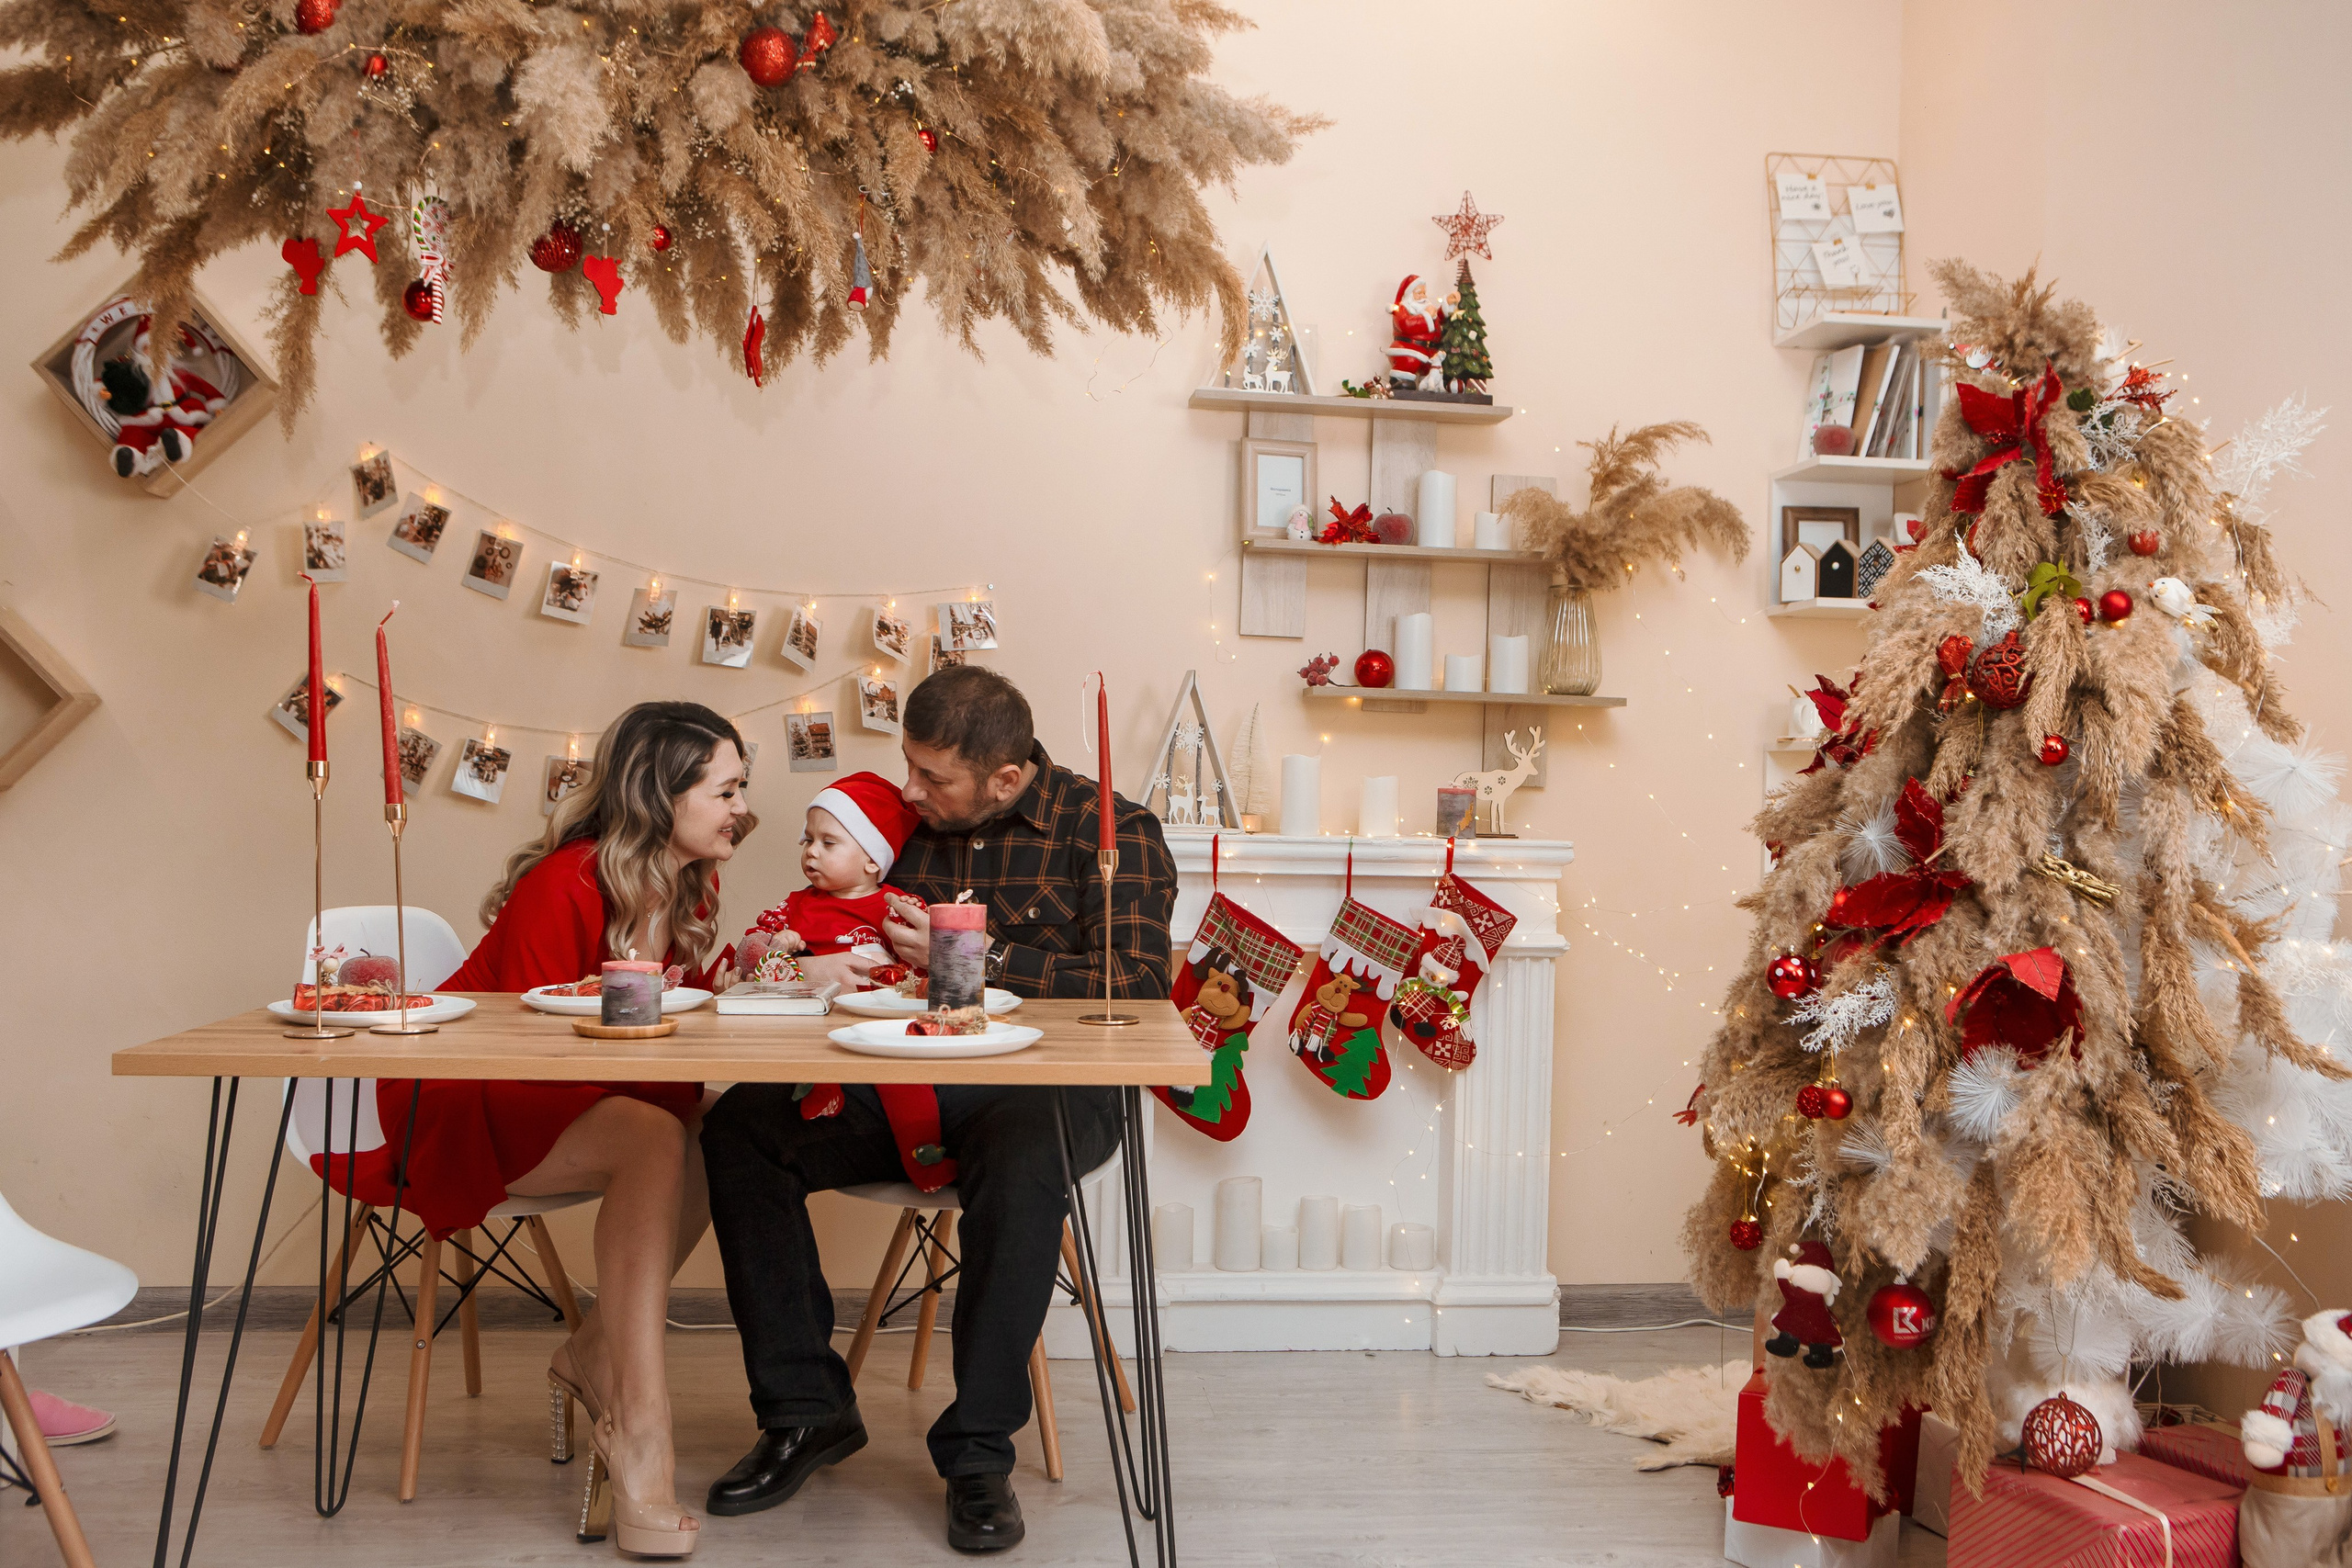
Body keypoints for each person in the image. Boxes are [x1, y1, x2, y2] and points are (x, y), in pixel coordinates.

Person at [700, 666, 1175, 1553]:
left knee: (1027, 1154)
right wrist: (795, 965)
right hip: (895, 1077)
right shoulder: (899, 827)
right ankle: (807, 1410)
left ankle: (978, 1452)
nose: (909, 790)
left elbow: (1143, 990)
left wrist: (987, 955)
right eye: (907, 766)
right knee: (739, 1131)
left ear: (1005, 777)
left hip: (1036, 1091)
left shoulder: (1112, 830)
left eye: (933, 777)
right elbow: (815, 923)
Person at [366, 700, 750, 1558]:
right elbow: (532, 1046)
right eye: (725, 790)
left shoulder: (692, 883)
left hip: (576, 1091)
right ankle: (640, 1435)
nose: (739, 809)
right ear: (662, 794)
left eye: (740, 789)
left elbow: (657, 1034)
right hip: (465, 1096)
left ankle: (591, 1350)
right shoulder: (567, 881)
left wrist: (746, 977)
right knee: (655, 1138)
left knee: (732, 1130)